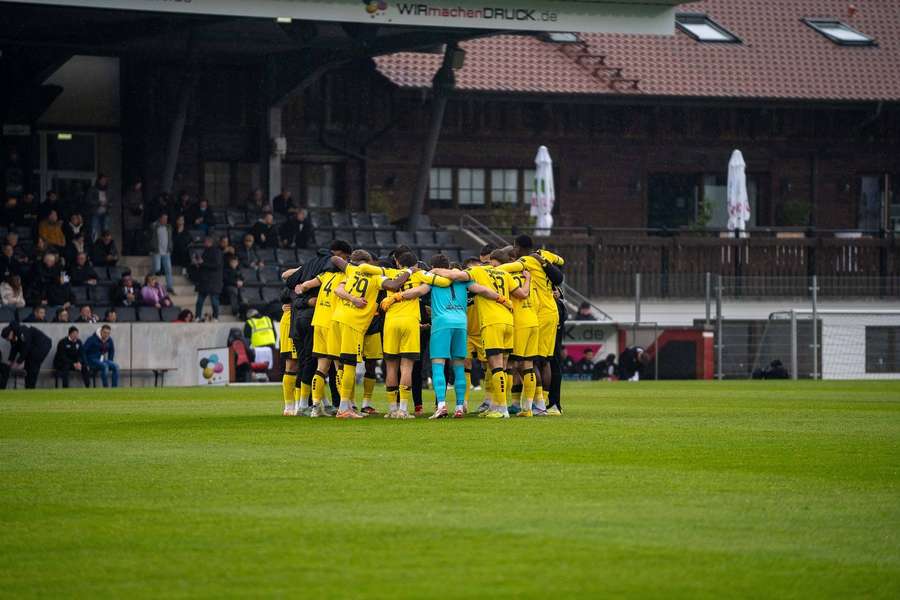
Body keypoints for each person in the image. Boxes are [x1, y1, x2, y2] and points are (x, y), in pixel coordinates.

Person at [1, 323, 52, 389]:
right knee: (28, 367)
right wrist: (10, 361)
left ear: (11, 333)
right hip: (33, 347)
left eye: (7, 338)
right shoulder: (13, 336)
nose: (7, 340)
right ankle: (28, 387)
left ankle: (31, 387)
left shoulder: (21, 331)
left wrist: (18, 362)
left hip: (42, 345)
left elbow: (26, 347)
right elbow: (14, 349)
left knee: (32, 366)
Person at [194, 236, 223, 320]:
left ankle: (215, 317)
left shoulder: (217, 251)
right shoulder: (205, 251)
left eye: (206, 241)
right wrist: (198, 264)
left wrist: (202, 263)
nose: (204, 243)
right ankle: (197, 317)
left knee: (214, 301)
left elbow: (216, 265)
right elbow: (204, 265)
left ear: (210, 242)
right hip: (204, 280)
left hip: (214, 280)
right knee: (199, 301)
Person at [148, 213, 175, 292]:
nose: (165, 220)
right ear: (160, 219)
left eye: (166, 219)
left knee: (168, 270)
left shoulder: (168, 227)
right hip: (157, 252)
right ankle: (149, 276)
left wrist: (170, 247)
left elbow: (170, 238)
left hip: (166, 252)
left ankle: (169, 287)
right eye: (163, 218)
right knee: (157, 268)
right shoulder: (155, 226)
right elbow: (151, 227)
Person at [85, 174, 110, 240]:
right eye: (102, 180)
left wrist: (108, 204)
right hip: (95, 213)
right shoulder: (93, 189)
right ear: (99, 180)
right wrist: (99, 203)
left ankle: (105, 244)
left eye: (105, 180)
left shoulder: (107, 190)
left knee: (105, 231)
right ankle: (94, 244)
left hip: (105, 213)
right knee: (94, 230)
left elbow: (111, 200)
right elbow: (88, 200)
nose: (104, 182)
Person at [222, 254, 247, 318]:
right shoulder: (226, 270)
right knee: (233, 291)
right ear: (230, 263)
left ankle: (243, 311)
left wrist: (241, 282)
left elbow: (242, 278)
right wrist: (236, 283)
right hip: (229, 286)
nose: (234, 264)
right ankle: (235, 311)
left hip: (238, 286)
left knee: (243, 292)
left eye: (235, 262)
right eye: (233, 262)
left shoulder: (238, 270)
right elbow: (226, 280)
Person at [123, 179, 144, 253]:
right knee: (129, 236)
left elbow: (141, 203)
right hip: (129, 218)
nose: (139, 187)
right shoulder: (128, 193)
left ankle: (137, 250)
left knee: (137, 236)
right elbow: (126, 203)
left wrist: (140, 208)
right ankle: (128, 250)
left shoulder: (140, 193)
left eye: (140, 185)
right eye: (138, 185)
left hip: (138, 218)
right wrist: (135, 207)